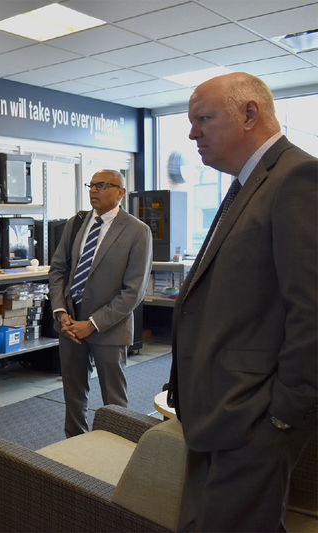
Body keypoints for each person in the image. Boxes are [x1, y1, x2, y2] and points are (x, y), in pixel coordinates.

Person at [168, 72, 317, 531]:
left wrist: (278, 419)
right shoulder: (243, 184)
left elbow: (312, 312)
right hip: (220, 415)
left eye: (203, 119)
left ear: (249, 113)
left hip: (253, 421)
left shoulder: (297, 178)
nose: (192, 133)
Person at [49, 169, 152, 438]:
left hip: (109, 329)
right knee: (73, 397)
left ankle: (115, 452)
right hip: (70, 326)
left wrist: (93, 324)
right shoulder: (75, 224)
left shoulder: (137, 231)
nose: (94, 190)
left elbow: (134, 291)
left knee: (114, 401)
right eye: (91, 185)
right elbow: (58, 270)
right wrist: (61, 312)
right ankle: (74, 446)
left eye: (102, 185)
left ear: (120, 192)